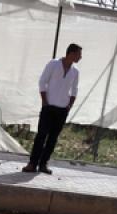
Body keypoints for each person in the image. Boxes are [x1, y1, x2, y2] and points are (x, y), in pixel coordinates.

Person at [22, 43, 82, 175]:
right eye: (79, 54)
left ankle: (43, 164)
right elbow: (42, 81)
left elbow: (75, 89)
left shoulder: (75, 71)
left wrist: (69, 105)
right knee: (41, 136)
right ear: (71, 53)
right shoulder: (53, 64)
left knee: (53, 138)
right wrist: (44, 101)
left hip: (62, 109)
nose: (80, 57)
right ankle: (32, 163)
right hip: (48, 106)